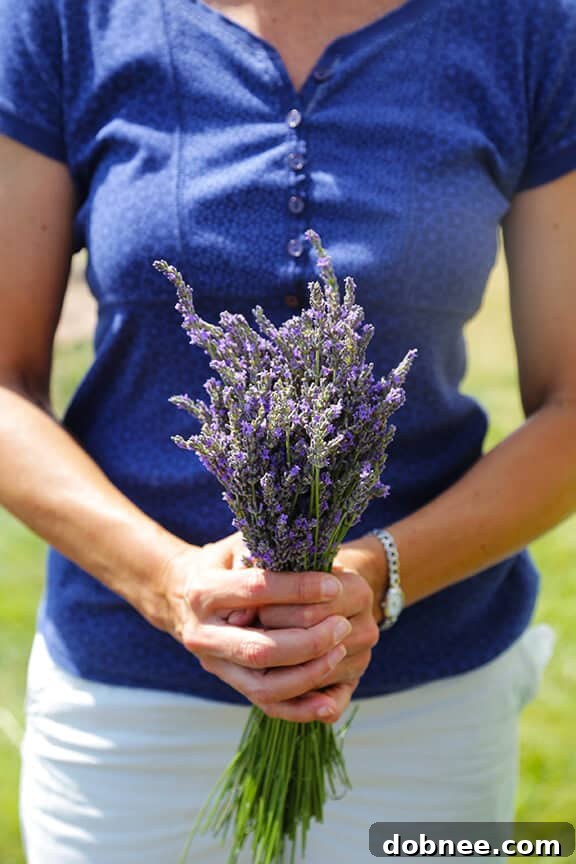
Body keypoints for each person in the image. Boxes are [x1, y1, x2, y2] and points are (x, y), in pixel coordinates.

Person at [0, 0, 574, 861]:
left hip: (430, 712)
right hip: (128, 718)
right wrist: (167, 583)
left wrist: (376, 577)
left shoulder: (526, 28)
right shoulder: (65, 19)